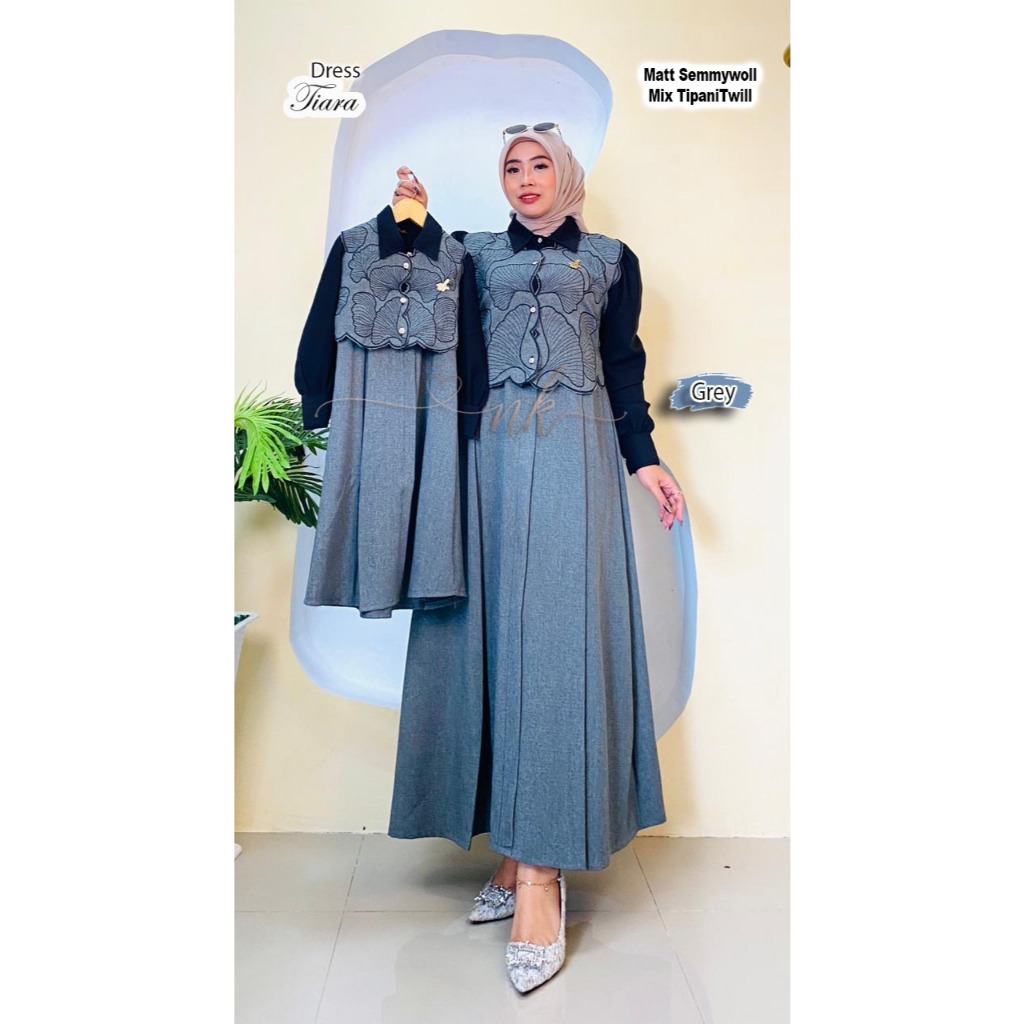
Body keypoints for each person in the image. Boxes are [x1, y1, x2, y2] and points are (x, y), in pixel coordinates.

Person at [385, 125, 686, 993]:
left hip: (575, 457)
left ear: (567, 175)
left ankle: (542, 879)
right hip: (489, 458)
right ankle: (515, 850)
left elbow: (623, 368)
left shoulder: (613, 260)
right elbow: (408, 295)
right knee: (488, 640)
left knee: (555, 648)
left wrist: (645, 459)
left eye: (539, 163)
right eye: (511, 166)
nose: (524, 178)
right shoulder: (473, 253)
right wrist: (408, 221)